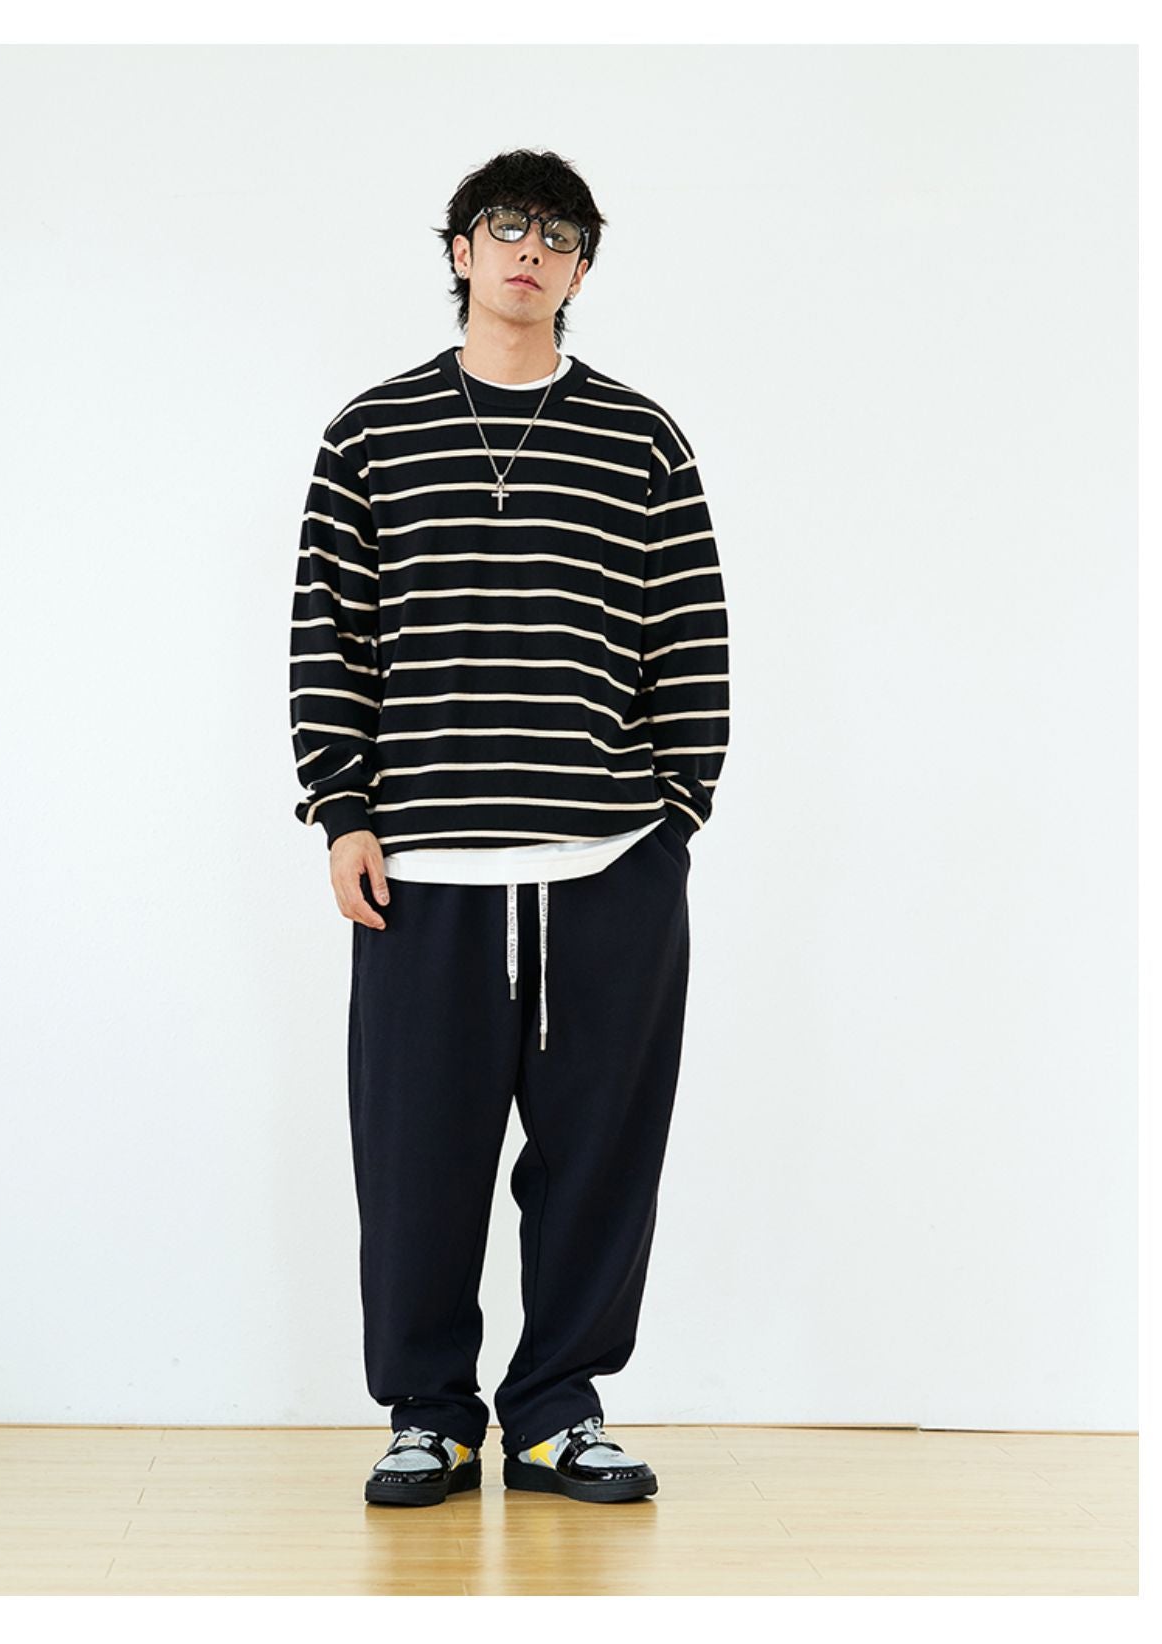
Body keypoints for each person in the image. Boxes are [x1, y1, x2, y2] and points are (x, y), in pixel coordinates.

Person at [288, 148, 730, 1507]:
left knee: (600, 1158)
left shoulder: (642, 439)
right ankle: (428, 1412)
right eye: (505, 226)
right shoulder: (371, 435)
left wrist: (672, 822)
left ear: (582, 267)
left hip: (607, 867)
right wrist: (341, 812)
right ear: (462, 252)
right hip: (425, 871)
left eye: (558, 234)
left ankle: (554, 1412)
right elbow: (331, 636)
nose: (530, 249)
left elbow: (689, 637)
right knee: (416, 1159)